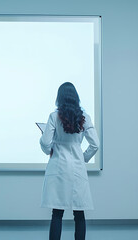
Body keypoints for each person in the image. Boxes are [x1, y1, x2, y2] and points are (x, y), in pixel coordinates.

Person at [39, 82, 99, 240]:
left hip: (58, 166)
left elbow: (45, 143)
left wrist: (49, 150)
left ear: (59, 98)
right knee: (79, 213)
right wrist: (83, 158)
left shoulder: (54, 116)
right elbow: (95, 144)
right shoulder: (84, 117)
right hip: (77, 168)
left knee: (57, 213)